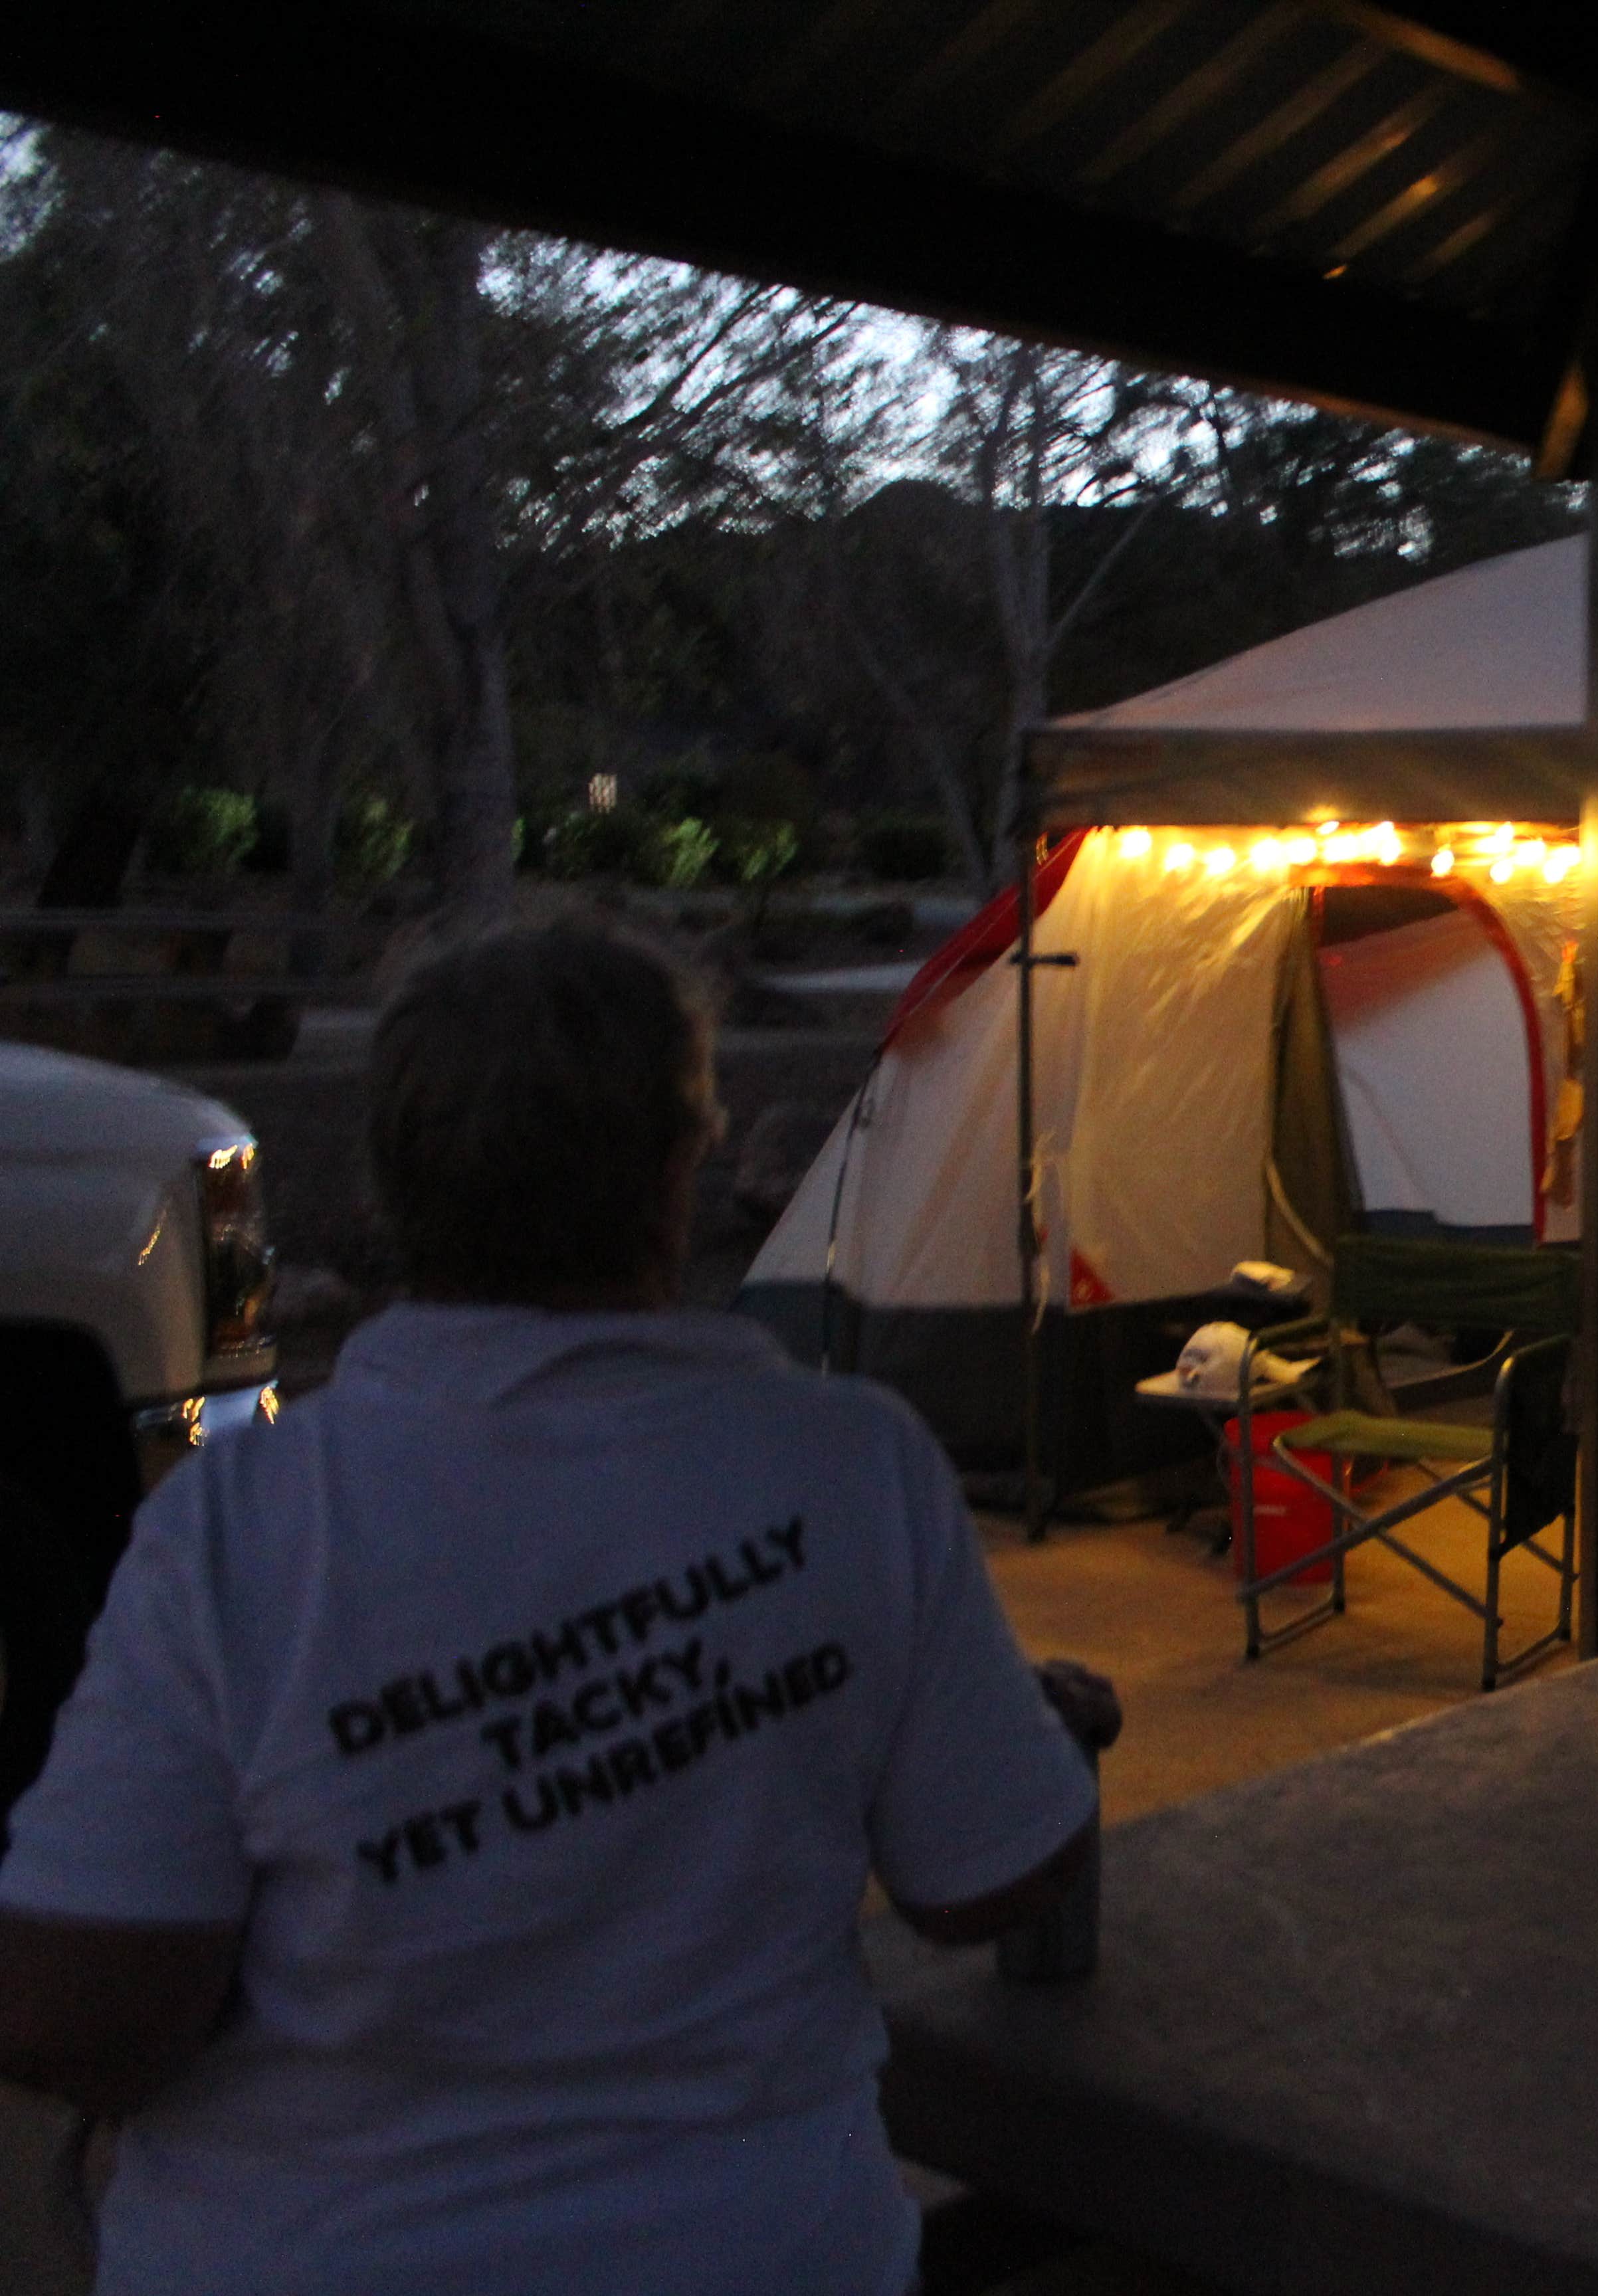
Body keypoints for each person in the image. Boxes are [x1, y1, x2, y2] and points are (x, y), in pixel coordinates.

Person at [0, 917, 1097, 2293]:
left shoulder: (239, 1524)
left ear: (398, 1181)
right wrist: (1017, 1730)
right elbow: (986, 1873)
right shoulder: (851, 1464)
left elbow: (71, 2021)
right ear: (678, 1170)